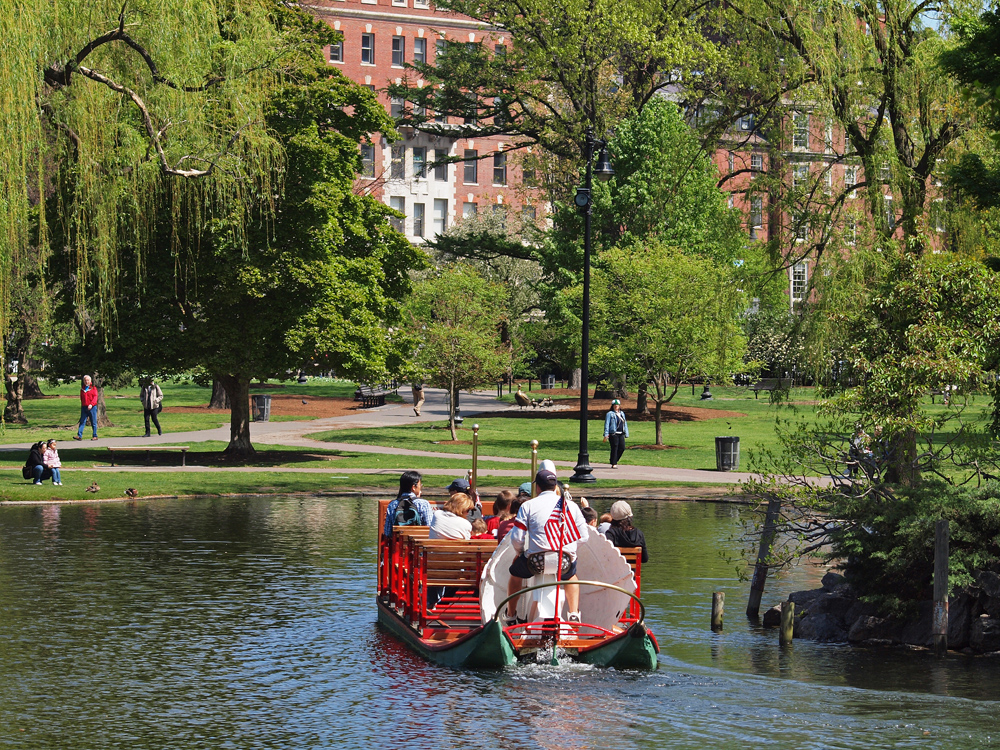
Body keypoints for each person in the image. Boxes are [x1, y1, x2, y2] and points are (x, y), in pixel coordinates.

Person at [503, 469, 589, 626]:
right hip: (563, 562)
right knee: (572, 576)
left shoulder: (528, 505)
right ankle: (574, 613)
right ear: (555, 485)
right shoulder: (571, 506)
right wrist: (571, 551)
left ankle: (510, 614)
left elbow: (517, 538)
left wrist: (519, 553)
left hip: (535, 562)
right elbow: (584, 536)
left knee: (515, 573)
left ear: (537, 488)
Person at [383, 471, 433, 537]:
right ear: (413, 487)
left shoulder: (392, 504)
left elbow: (387, 532)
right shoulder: (423, 504)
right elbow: (430, 528)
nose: (421, 487)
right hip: (418, 544)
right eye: (420, 485)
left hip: (399, 545)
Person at [603, 399, 629, 468]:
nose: (616, 406)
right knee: (615, 447)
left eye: (617, 405)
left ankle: (614, 460)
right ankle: (614, 463)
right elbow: (607, 424)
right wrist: (606, 434)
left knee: (622, 448)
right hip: (613, 433)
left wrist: (626, 433)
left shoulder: (622, 413)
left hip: (621, 433)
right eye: (614, 405)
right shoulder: (609, 414)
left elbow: (625, 423)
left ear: (619, 406)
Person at [74, 375, 99, 441]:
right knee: (82, 421)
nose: (86, 381)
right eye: (85, 380)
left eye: (87, 380)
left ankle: (95, 435)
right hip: (84, 407)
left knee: (93, 422)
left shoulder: (93, 388)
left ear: (90, 381)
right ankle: (79, 435)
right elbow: (81, 398)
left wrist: (91, 404)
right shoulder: (83, 389)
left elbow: (95, 397)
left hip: (92, 407)